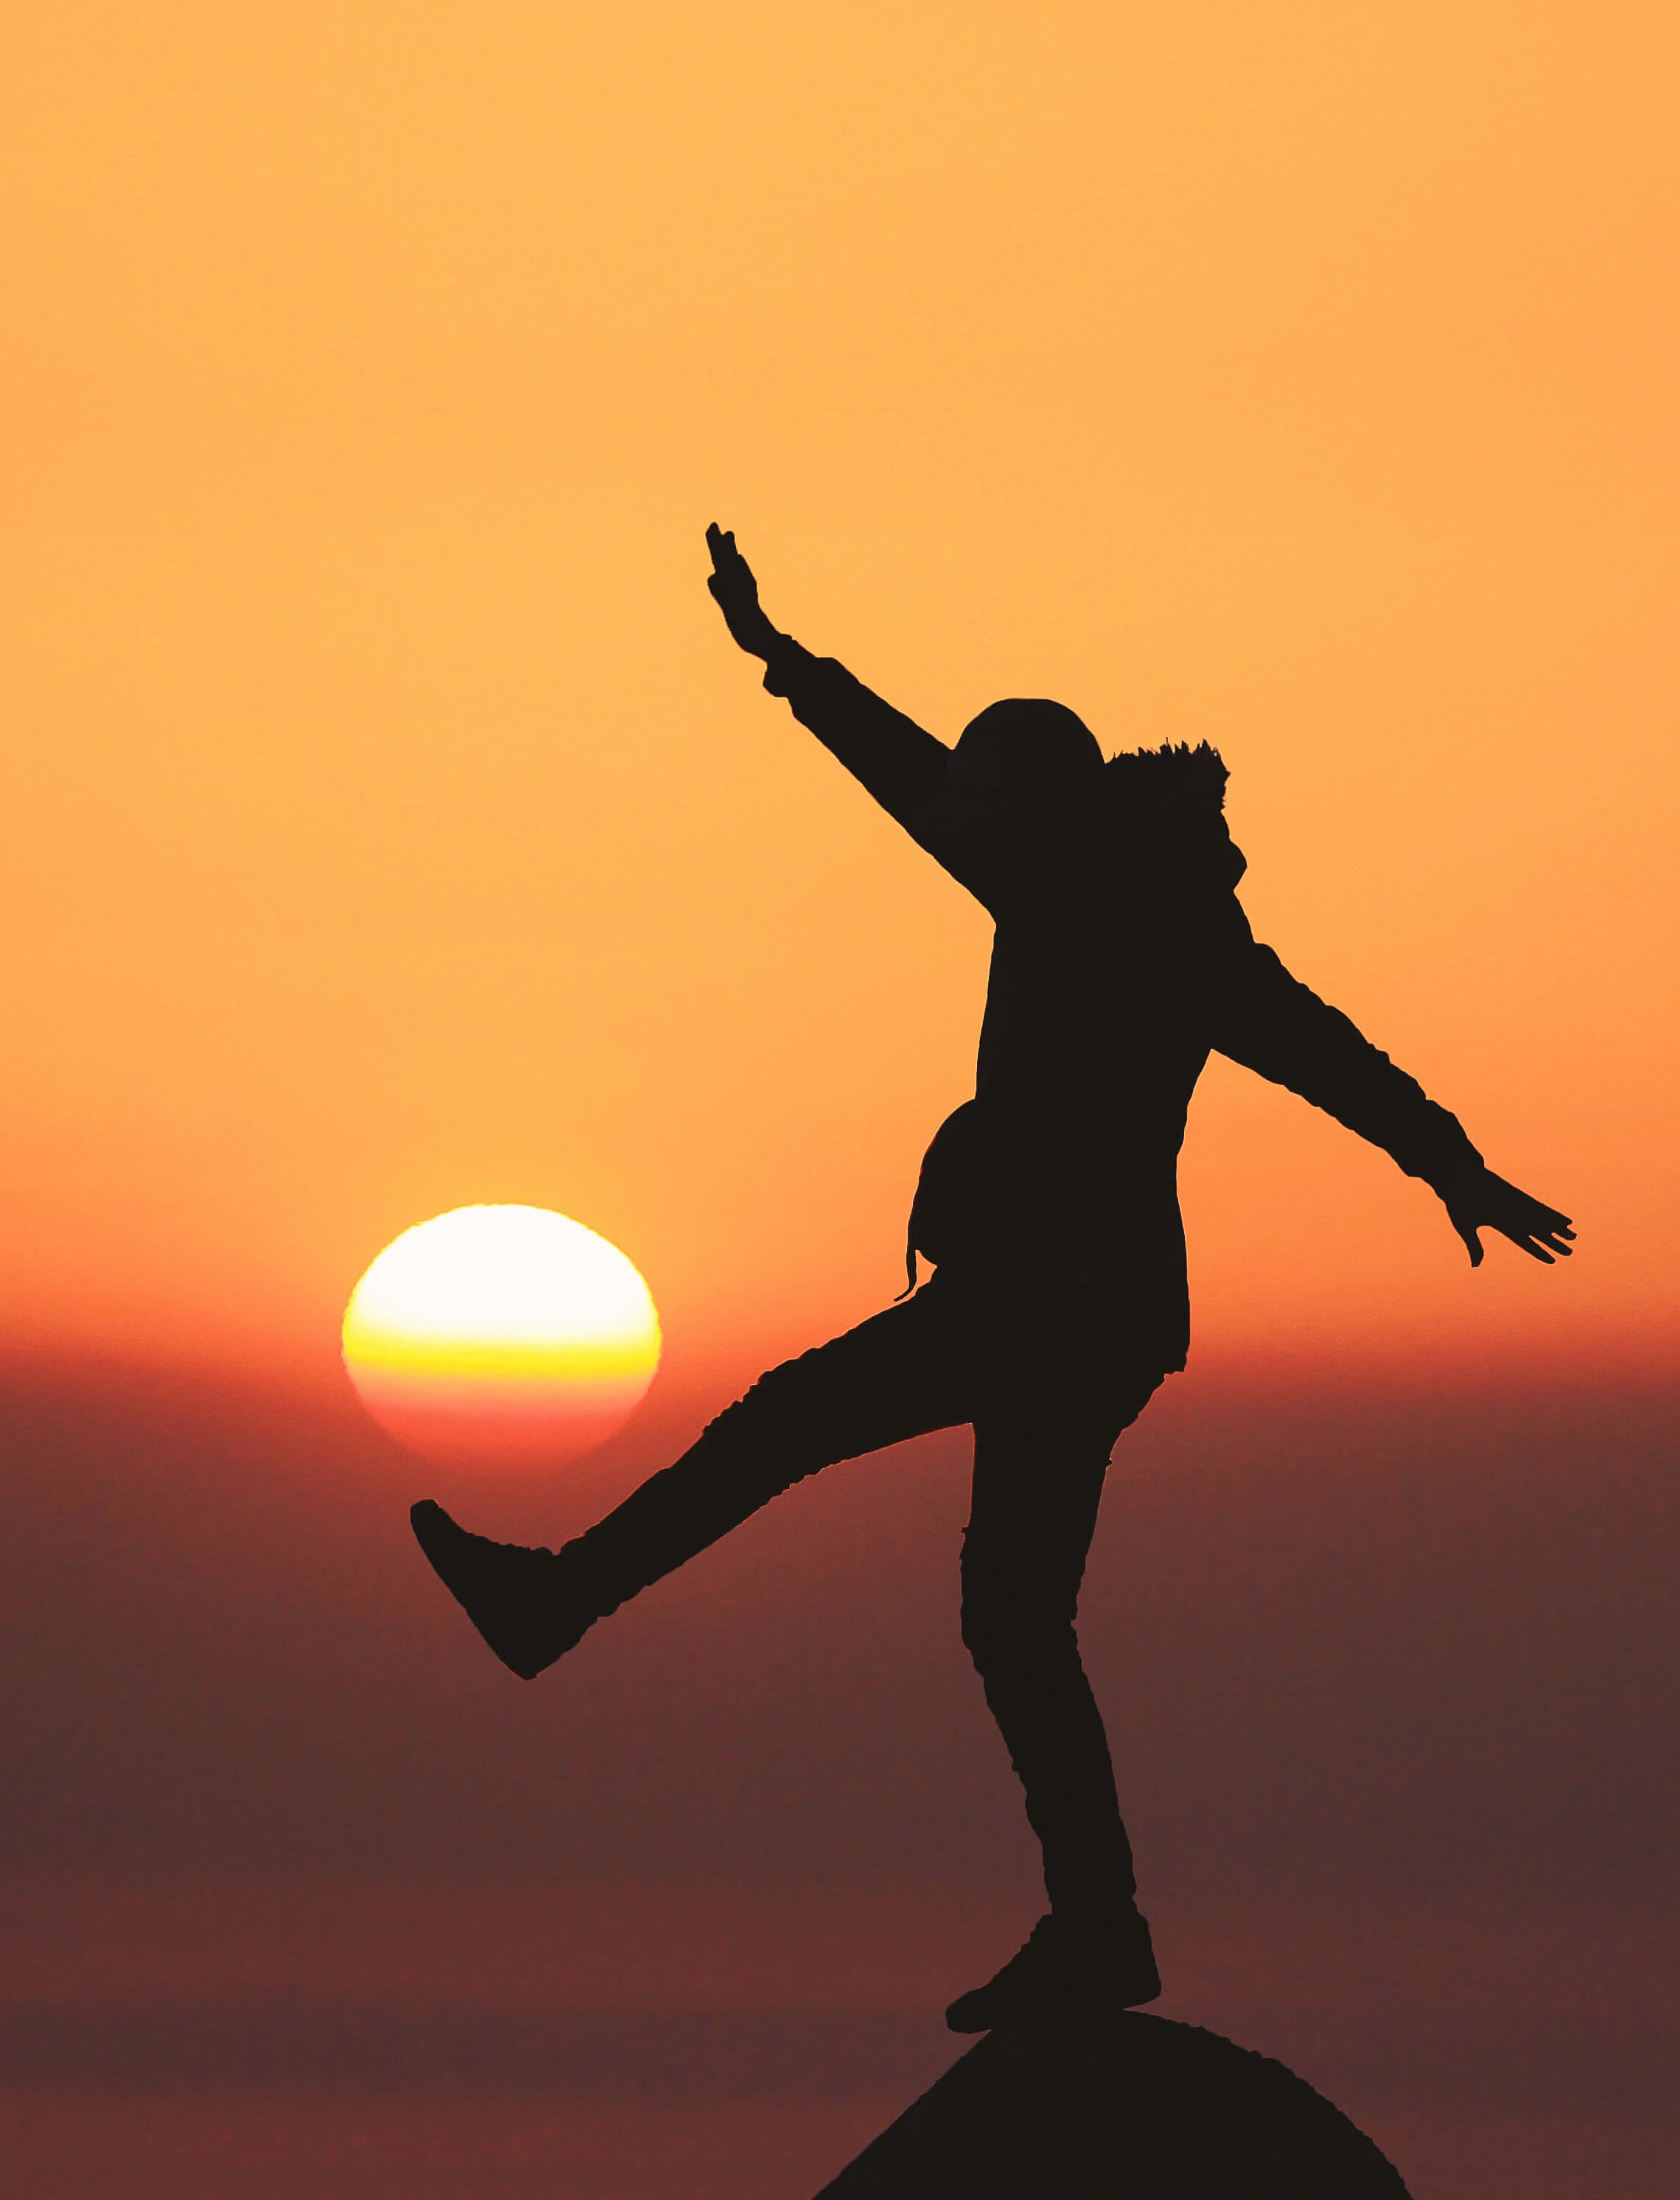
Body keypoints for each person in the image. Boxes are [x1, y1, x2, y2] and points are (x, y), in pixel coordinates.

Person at [413, 525, 1574, 2031]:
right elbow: (914, 782)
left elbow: (1317, 1043)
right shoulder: (1071, 872)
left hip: (1056, 1304)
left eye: (987, 804)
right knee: (1011, 1616)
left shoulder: (1150, 918)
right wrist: (785, 663)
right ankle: (1098, 1928)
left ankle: (558, 1607)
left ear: (1036, 805)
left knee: (796, 1434)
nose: (967, 829)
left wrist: (1448, 1159)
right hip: (1073, 1309)